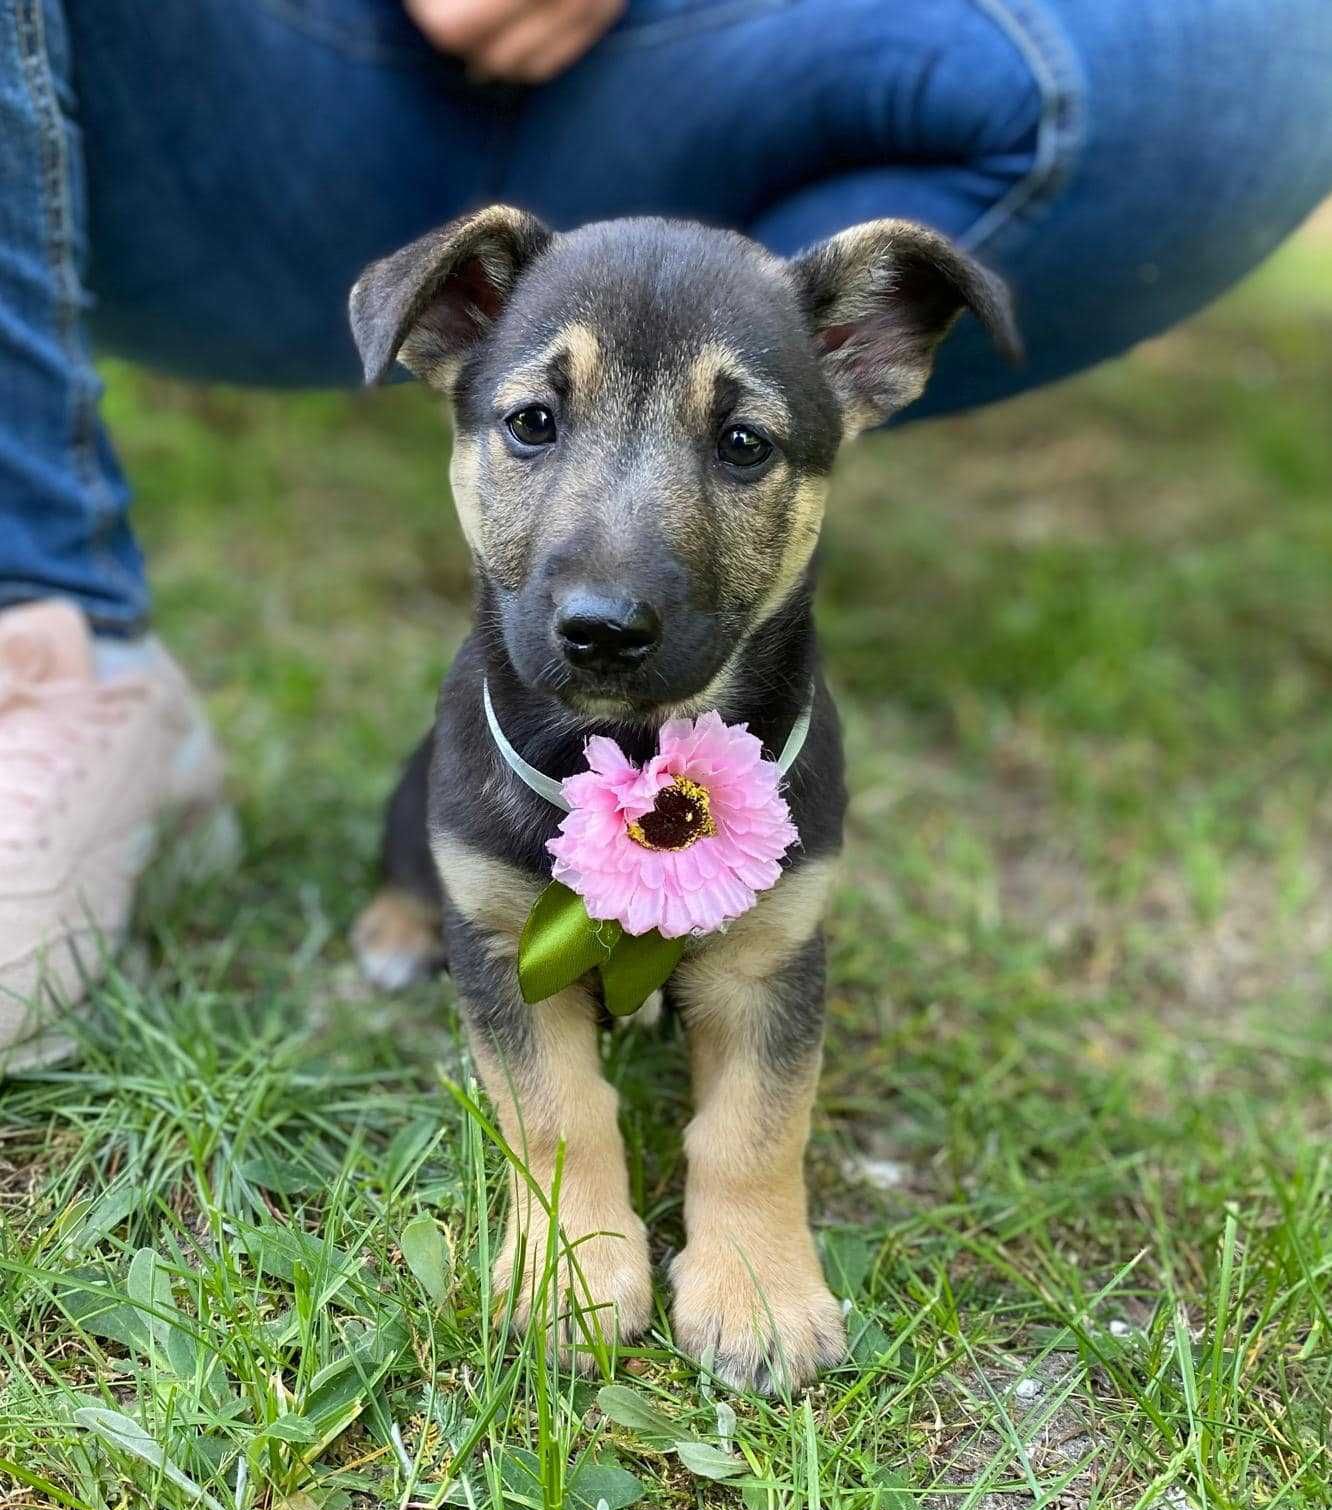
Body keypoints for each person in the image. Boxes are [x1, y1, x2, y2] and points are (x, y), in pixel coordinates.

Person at [2, 0, 1330, 1063]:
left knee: (1252, 49)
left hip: (729, 43)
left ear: (862, 358)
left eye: (740, 443)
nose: (610, 567)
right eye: (533, 425)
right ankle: (50, 637)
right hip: (250, 65)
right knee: (457, 846)